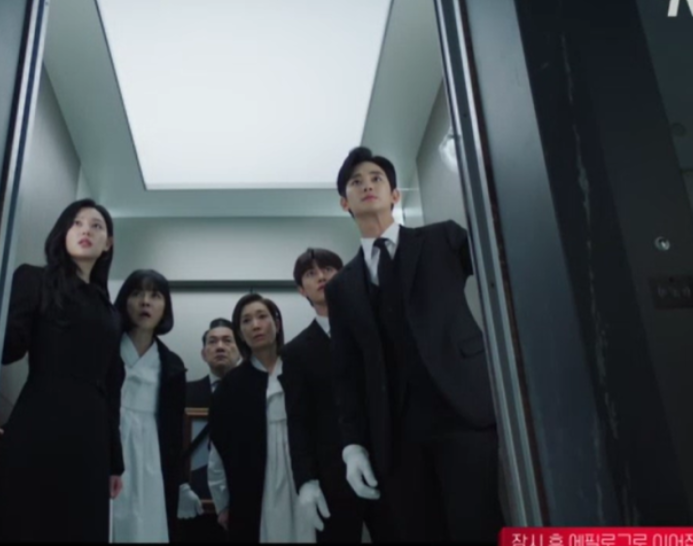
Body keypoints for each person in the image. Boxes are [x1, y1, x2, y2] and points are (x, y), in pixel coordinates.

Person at [325, 147, 505, 542]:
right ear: (344, 203)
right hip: (395, 433)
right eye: (356, 182)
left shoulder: (442, 239)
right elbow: (346, 373)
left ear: (394, 194)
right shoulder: (341, 287)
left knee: (477, 528)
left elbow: (504, 260)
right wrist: (352, 446)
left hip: (462, 413)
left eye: (376, 178)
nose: (367, 185)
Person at [0, 199, 124, 543]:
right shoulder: (35, 278)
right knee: (22, 520)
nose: (86, 230)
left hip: (90, 438)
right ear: (63, 233)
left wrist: (114, 462)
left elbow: (112, 387)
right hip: (40, 420)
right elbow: (8, 347)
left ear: (108, 244)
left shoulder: (111, 313)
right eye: (77, 223)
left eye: (96, 226)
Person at [207, 294, 315, 543]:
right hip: (255, 486)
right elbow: (219, 453)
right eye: (246, 321)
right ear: (240, 333)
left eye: (262, 316)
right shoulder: (230, 387)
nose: (255, 325)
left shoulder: (303, 370)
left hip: (306, 476)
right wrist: (222, 503)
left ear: (277, 323)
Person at [282, 248, 368, 543]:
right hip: (332, 474)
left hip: (388, 462)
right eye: (311, 273)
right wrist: (306, 480)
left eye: (328, 269)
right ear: (301, 289)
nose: (321, 276)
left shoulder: (372, 330)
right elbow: (298, 421)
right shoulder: (295, 352)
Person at [111, 269, 203, 542]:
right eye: (137, 293)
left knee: (147, 522)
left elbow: (173, 432)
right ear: (124, 301)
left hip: (152, 453)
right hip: (108, 442)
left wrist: (180, 481)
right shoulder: (105, 350)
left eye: (155, 295)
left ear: (165, 307)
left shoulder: (171, 365)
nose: (145, 302)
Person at [180, 319, 240, 543]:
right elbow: (167, 444)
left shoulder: (260, 392)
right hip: (192, 509)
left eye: (227, 340)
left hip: (246, 506)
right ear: (203, 354)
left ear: (240, 351)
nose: (220, 346)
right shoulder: (184, 393)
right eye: (212, 342)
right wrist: (178, 484)